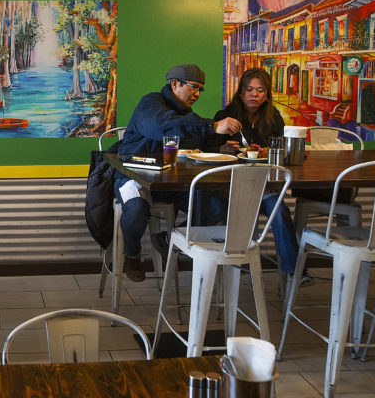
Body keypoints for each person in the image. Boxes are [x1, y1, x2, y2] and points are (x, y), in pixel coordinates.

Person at [115, 64, 241, 282]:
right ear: (175, 84)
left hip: (169, 183)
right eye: (194, 87)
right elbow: (160, 126)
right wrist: (212, 126)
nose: (198, 94)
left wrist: (218, 149)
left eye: (201, 89)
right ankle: (132, 256)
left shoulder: (186, 114)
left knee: (217, 208)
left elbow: (192, 144)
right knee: (136, 209)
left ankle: (168, 240)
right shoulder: (151, 103)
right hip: (134, 176)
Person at [204, 67, 302, 280]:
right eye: (249, 89)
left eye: (259, 90)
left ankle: (293, 271)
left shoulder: (273, 117)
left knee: (280, 210)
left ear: (266, 95)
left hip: (264, 184)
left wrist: (270, 151)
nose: (254, 94)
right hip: (231, 186)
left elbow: (282, 148)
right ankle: (239, 261)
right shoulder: (225, 117)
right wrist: (222, 149)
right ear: (241, 92)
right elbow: (207, 151)